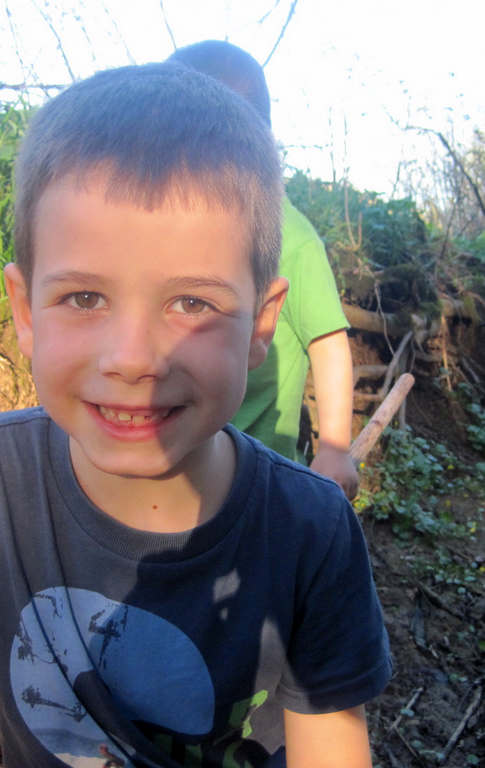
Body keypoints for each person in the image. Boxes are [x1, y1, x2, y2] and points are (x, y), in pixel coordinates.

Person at [0, 63, 390, 768]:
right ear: (26, 312)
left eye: (192, 303)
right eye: (84, 298)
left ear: (261, 324)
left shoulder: (311, 531)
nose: (134, 359)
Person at [167, 41, 360, 500]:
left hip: (257, 480)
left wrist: (334, 448)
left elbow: (328, 343)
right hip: (175, 458)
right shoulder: (161, 224)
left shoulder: (291, 239)